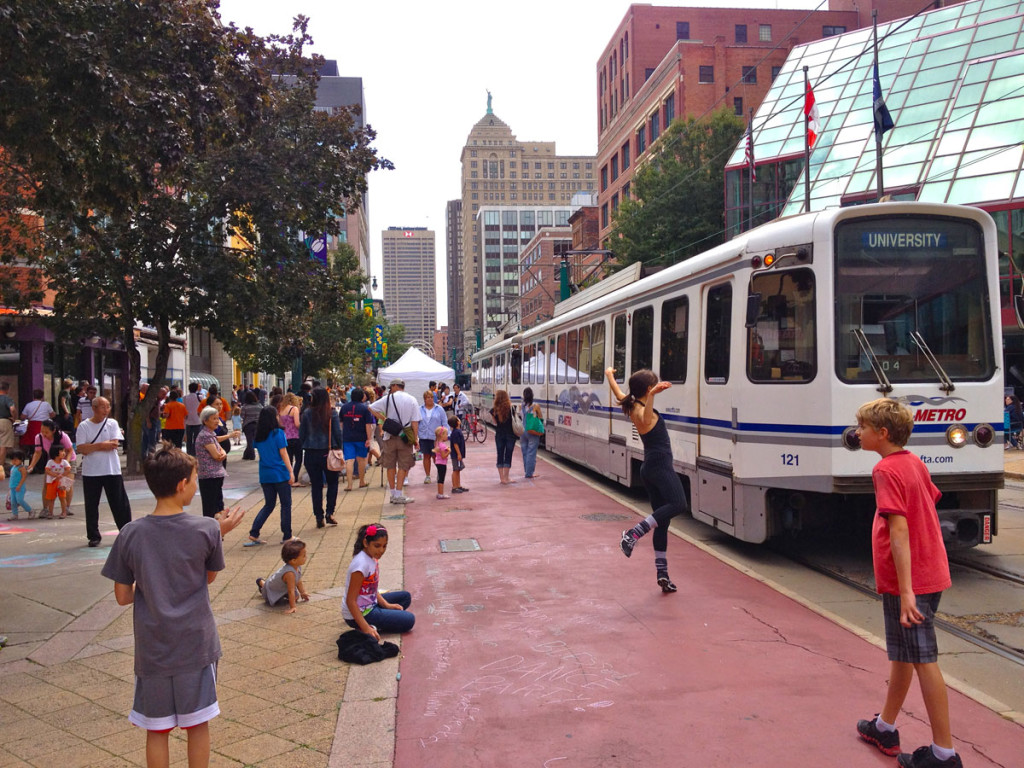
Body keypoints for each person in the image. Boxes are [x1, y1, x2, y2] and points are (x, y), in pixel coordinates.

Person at [854, 398, 962, 768]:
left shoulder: (885, 470)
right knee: (903, 653)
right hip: (930, 571)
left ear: (881, 434)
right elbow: (927, 502)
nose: (858, 432)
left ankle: (944, 753)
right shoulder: (913, 461)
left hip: (910, 581)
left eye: (863, 427)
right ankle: (884, 726)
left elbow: (899, 529)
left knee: (923, 659)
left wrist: (906, 592)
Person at [101, 446, 225, 768]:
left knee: (157, 729)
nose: (197, 485)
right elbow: (208, 578)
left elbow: (122, 596)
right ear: (182, 484)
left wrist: (150, 580)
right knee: (197, 724)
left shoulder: (130, 534)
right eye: (195, 479)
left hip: (153, 647)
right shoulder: (207, 529)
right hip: (196, 644)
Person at [607, 367, 687, 593]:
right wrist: (652, 396)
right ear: (649, 389)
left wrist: (609, 375)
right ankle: (634, 533)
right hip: (660, 466)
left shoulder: (631, 403)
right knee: (679, 504)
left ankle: (663, 574)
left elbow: (618, 392)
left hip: (649, 468)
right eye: (654, 385)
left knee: (663, 522)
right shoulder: (644, 412)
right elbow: (645, 417)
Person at [75, 397, 132, 547]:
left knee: (119, 503)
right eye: (103, 407)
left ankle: (126, 531)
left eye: (108, 407)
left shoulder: (112, 423)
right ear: (94, 408)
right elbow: (81, 448)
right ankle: (93, 535)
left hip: (111, 469)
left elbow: (114, 444)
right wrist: (101, 445)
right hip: (91, 471)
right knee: (91, 504)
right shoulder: (83, 426)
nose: (106, 410)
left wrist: (92, 446)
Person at [342, 523, 414, 639]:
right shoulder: (360, 566)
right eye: (377, 546)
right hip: (362, 612)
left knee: (405, 597)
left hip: (370, 603)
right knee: (409, 620)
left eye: (384, 546)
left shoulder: (371, 557)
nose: (381, 550)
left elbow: (371, 589)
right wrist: (366, 628)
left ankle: (380, 617)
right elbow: (351, 601)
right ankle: (370, 625)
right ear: (366, 543)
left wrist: (387, 605)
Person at [246, 406, 294, 546]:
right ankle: (287, 535)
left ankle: (254, 532)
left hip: (265, 473)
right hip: (280, 473)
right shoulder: (278, 433)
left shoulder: (259, 435)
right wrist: (291, 471)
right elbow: (284, 453)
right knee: (286, 504)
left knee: (269, 504)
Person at [369, 379, 420, 505]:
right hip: (405, 437)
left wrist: (384, 419)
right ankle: (398, 494)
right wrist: (415, 439)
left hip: (389, 436)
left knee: (390, 465)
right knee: (403, 465)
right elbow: (415, 422)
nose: (390, 389)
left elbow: (370, 407)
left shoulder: (387, 398)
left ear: (395, 386)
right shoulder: (412, 399)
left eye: (391, 387)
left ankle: (392, 494)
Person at [299, 387, 343, 528]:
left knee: (316, 486)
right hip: (328, 452)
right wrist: (339, 448)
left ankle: (318, 515)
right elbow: (337, 433)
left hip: (311, 453)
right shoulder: (331, 413)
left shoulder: (306, 413)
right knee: (332, 483)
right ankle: (330, 512)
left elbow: (302, 434)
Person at [195, 406, 238, 519]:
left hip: (215, 474)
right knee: (210, 507)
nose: (217, 421)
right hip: (209, 475)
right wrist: (222, 453)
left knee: (215, 505)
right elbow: (217, 455)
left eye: (217, 418)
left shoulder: (210, 434)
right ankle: (211, 531)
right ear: (205, 420)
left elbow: (219, 446)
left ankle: (216, 530)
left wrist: (223, 451)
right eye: (214, 418)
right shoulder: (205, 435)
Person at [256, 539, 309, 614]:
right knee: (268, 587)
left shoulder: (297, 566)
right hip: (272, 588)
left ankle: (265, 584)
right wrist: (292, 606)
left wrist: (302, 592)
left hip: (282, 587)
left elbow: (298, 579)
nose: (306, 557)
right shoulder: (290, 573)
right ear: (293, 560)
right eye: (304, 556)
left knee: (296, 597)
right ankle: (261, 582)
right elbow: (291, 591)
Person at [340, 388, 373, 491]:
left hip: (347, 438)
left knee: (349, 460)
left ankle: (349, 485)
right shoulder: (365, 409)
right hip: (361, 437)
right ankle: (361, 481)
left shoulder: (344, 408)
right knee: (362, 460)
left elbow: (341, 424)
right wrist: (369, 438)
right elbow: (368, 425)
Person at [418, 389, 447, 485]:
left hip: (436, 438)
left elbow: (444, 423)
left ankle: (439, 473)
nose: (430, 399)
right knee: (426, 456)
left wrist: (445, 435)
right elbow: (416, 423)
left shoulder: (439, 409)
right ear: (424, 399)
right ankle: (427, 475)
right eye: (427, 398)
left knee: (436, 457)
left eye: (431, 397)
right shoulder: (420, 409)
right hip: (424, 436)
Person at [490, 389, 517, 485]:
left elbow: (495, 423)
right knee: (508, 455)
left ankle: (501, 478)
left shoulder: (493, 410)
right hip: (510, 434)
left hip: (499, 434)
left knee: (500, 454)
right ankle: (506, 477)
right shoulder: (511, 408)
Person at [42, 443, 74, 519]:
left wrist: (62, 475)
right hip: (51, 482)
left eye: (64, 451)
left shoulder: (64, 462)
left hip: (61, 483)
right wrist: (55, 475)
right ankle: (50, 513)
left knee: (62, 497)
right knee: (51, 498)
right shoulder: (50, 462)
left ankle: (64, 512)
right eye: (62, 451)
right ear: (55, 453)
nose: (64, 453)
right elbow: (47, 470)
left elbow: (68, 470)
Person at [279, 392, 304, 483]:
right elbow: (297, 424)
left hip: (285, 437)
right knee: (298, 459)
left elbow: (280, 424)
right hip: (295, 437)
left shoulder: (281, 410)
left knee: (288, 459)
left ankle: (288, 477)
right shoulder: (294, 409)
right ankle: (295, 478)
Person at [520, 386, 543, 479]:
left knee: (525, 452)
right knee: (531, 453)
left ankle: (527, 471)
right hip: (532, 431)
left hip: (523, 431)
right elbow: (540, 417)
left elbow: (521, 416)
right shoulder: (535, 406)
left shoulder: (521, 406)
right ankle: (529, 473)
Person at [19, 389, 54, 453]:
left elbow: (22, 417)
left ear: (33, 396)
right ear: (42, 396)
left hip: (32, 426)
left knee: (33, 442)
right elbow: (53, 414)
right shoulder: (46, 404)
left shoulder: (28, 405)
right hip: (45, 425)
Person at [7, 450, 32, 520]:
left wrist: (19, 485)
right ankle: (15, 514)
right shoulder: (13, 467)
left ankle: (30, 510)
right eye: (12, 460)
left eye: (15, 460)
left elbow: (24, 477)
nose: (13, 462)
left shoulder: (22, 468)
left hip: (19, 487)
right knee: (13, 502)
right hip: (12, 487)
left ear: (21, 460)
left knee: (19, 500)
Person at [448, 415, 469, 494]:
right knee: (455, 470)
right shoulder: (456, 432)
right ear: (457, 422)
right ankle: (454, 486)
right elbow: (455, 444)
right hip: (456, 455)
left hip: (457, 454)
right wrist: (459, 454)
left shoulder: (457, 431)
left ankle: (458, 485)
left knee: (458, 470)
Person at [239, 390, 262, 461]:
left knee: (249, 441)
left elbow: (242, 416)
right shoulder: (259, 406)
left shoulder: (245, 407)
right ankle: (246, 455)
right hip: (257, 425)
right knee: (255, 440)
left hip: (248, 425)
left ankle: (252, 455)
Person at [0, 380, 18, 468]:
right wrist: (14, 418)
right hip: (4, 421)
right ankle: (0, 466)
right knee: (3, 445)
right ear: (7, 390)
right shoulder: (7, 399)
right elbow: (12, 409)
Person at [183, 382, 203, 456]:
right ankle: (195, 452)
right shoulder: (199, 397)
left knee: (189, 438)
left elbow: (184, 407)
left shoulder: (185, 398)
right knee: (196, 438)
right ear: (196, 389)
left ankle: (189, 452)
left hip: (188, 420)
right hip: (197, 420)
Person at [433, 425, 451, 500]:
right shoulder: (442, 445)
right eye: (446, 434)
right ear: (442, 435)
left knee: (440, 477)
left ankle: (439, 493)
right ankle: (440, 493)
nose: (447, 436)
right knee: (441, 478)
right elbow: (443, 456)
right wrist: (449, 451)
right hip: (442, 463)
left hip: (438, 462)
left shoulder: (437, 443)